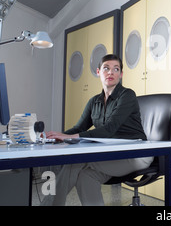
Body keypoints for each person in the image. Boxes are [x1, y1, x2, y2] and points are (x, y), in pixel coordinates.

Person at [43, 54, 153, 206]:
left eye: (116, 69)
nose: (110, 72)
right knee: (86, 176)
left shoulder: (127, 95)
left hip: (136, 154)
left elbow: (109, 129)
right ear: (98, 72)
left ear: (121, 74)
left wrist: (70, 137)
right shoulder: (94, 101)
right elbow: (79, 128)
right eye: (106, 68)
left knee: (74, 161)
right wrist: (58, 136)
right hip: (113, 154)